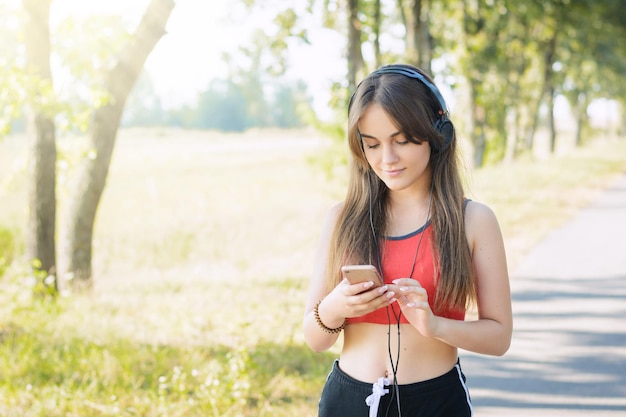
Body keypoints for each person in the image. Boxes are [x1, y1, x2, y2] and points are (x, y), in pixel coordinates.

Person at [303, 64, 513, 417]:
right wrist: (336, 307)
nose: (387, 159)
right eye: (372, 145)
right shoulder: (341, 218)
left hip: (436, 403)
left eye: (402, 141)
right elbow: (315, 338)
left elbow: (499, 337)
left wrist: (435, 325)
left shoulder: (473, 220)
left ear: (437, 134)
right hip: (347, 401)